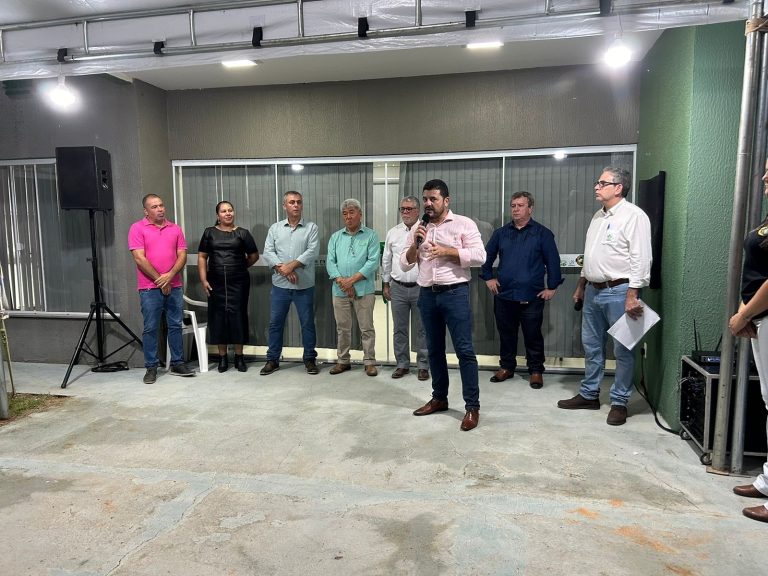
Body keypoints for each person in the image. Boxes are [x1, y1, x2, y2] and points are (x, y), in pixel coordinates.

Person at [557, 167, 651, 426]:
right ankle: (589, 394)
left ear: (618, 188)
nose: (596, 187)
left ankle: (619, 402)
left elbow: (641, 258)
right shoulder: (598, 216)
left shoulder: (634, 216)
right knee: (592, 346)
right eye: (597, 183)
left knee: (623, 349)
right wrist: (581, 285)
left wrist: (632, 294)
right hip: (593, 291)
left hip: (620, 291)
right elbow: (591, 255)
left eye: (602, 183)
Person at [402, 179, 487, 431]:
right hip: (427, 295)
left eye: (433, 199)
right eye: (425, 199)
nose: (428, 203)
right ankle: (439, 398)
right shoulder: (420, 227)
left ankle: (472, 406)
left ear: (446, 201)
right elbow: (405, 263)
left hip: (455, 293)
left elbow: (480, 256)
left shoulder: (463, 224)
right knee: (434, 350)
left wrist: (448, 251)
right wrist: (416, 244)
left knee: (464, 351)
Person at [480, 191, 563, 389]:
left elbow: (553, 262)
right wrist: (488, 277)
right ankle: (506, 367)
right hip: (504, 295)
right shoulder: (501, 234)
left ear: (530, 208)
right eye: (513, 206)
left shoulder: (542, 234)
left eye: (520, 205)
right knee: (506, 334)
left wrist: (552, 287)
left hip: (532, 296)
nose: (516, 209)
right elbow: (485, 257)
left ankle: (535, 371)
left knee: (533, 335)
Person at [728, 160, 768, 523]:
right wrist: (748, 312)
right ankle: (767, 481)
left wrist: (744, 315)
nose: (765, 176)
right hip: (760, 318)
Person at [128, 194, 195, 384]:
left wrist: (170, 276)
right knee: (151, 327)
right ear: (146, 211)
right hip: (149, 288)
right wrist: (161, 280)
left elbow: (182, 255)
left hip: (174, 286)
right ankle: (151, 367)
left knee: (175, 325)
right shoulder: (137, 228)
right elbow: (139, 258)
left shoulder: (175, 228)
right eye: (154, 207)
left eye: (161, 205)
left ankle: (178, 363)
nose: (160, 209)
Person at [260, 191, 320, 375]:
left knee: (307, 324)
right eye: (292, 202)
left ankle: (309, 359)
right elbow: (268, 251)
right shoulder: (275, 228)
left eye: (299, 202)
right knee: (275, 324)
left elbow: (312, 251)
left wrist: (290, 266)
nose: (296, 205)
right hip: (280, 286)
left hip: (304, 286)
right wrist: (283, 269)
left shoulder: (311, 228)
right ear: (284, 206)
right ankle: (272, 359)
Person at [197, 201, 259, 373]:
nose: (228, 213)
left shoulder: (243, 233)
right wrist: (203, 279)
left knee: (238, 316)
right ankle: (222, 357)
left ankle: (239, 357)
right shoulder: (209, 232)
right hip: (215, 282)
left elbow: (254, 256)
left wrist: (239, 267)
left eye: (230, 210)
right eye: (223, 211)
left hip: (239, 282)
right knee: (218, 317)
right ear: (218, 215)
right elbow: (202, 257)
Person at [326, 198, 380, 376]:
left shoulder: (371, 235)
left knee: (367, 328)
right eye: (345, 213)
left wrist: (352, 281)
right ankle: (343, 361)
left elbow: (373, 262)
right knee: (342, 328)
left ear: (360, 214)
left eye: (351, 212)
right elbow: (330, 262)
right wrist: (342, 281)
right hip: (339, 290)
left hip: (364, 290)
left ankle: (369, 362)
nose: (348, 217)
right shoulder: (335, 237)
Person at [382, 196, 429, 382]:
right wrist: (386, 283)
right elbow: (386, 259)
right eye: (403, 209)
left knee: (423, 328)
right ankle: (402, 364)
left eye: (410, 209)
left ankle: (423, 365)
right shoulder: (393, 233)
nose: (406, 212)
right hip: (398, 288)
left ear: (418, 211)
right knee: (399, 329)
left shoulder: (426, 230)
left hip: (421, 288)